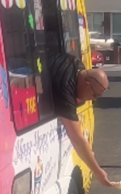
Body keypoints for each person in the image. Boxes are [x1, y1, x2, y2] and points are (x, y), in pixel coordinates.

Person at [47, 52, 113, 187]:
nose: (93, 100)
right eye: (94, 95)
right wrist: (98, 172)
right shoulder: (65, 87)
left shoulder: (77, 65)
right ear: (87, 84)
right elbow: (76, 138)